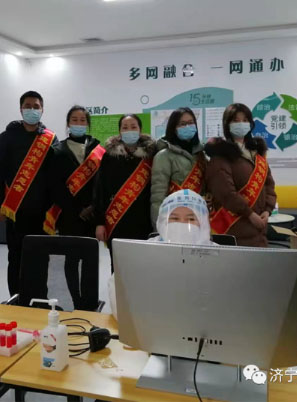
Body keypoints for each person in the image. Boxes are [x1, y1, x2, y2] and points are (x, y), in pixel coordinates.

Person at [0, 90, 58, 296]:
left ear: (42, 110)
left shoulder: (50, 139)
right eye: (27, 106)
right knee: (16, 256)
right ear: (21, 109)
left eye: (36, 106)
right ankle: (16, 297)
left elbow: (55, 176)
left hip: (42, 210)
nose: (32, 110)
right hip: (15, 209)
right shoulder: (7, 137)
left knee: (41, 257)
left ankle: (40, 297)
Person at [108, 189, 213, 319]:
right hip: (149, 325)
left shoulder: (220, 256)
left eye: (191, 219)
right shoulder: (143, 252)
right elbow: (118, 291)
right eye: (174, 218)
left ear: (203, 222)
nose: (182, 224)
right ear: (163, 221)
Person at [46, 105, 104, 307]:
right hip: (70, 215)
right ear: (68, 123)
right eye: (74, 120)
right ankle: (76, 300)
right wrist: (76, 209)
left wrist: (93, 206)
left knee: (90, 260)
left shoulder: (98, 149)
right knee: (71, 260)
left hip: (92, 214)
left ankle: (89, 300)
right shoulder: (57, 150)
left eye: (82, 120)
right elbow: (55, 186)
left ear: (87, 123)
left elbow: (102, 184)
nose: (79, 123)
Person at [205, 103, 276, 247]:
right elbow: (225, 193)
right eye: (236, 120)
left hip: (259, 229)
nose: (241, 124)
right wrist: (250, 214)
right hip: (235, 230)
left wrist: (267, 210)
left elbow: (269, 184)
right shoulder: (220, 156)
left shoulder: (257, 154)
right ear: (227, 124)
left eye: (245, 120)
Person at [94, 114, 156, 270]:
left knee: (143, 267)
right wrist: (99, 222)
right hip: (117, 221)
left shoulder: (151, 156)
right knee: (118, 268)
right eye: (125, 127)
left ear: (140, 130)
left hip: (144, 223)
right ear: (120, 131)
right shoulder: (110, 156)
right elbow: (100, 189)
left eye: (133, 127)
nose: (129, 131)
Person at [150, 107, 207, 226]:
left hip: (199, 219)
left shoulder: (202, 154)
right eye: (182, 124)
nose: (187, 127)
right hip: (174, 220)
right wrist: (159, 228)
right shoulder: (163, 156)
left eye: (190, 123)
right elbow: (158, 197)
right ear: (173, 128)